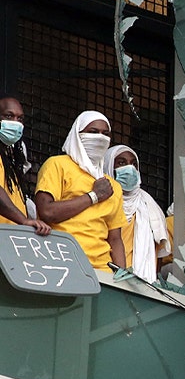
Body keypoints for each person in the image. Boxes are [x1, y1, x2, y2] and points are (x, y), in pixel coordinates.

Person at [34, 111, 125, 270]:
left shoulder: (113, 186)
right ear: (77, 134)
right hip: (60, 262)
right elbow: (47, 212)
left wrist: (121, 277)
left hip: (102, 271)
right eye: (93, 132)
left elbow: (115, 238)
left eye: (105, 134)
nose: (100, 138)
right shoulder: (57, 165)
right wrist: (94, 196)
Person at [103, 145, 169, 283]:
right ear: (108, 166)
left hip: (142, 286)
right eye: (121, 163)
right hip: (105, 277)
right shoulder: (101, 202)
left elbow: (158, 255)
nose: (130, 168)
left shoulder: (150, 207)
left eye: (134, 164)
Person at [0, 96, 49, 235]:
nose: (15, 122)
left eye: (20, 119)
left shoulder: (10, 160)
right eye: (9, 116)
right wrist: (24, 220)